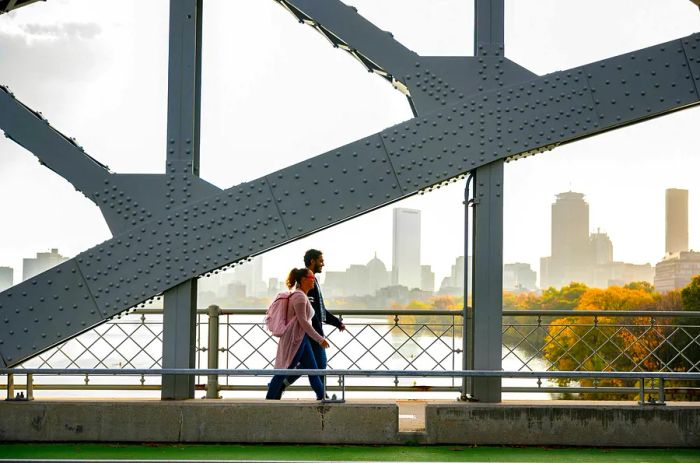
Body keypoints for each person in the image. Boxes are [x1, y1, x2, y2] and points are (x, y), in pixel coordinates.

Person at [278, 249, 345, 395]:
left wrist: (337, 323)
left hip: (310, 333)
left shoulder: (312, 280)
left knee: (309, 365)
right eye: (321, 261)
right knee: (319, 364)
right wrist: (319, 336)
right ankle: (322, 397)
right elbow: (310, 315)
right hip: (310, 334)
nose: (323, 264)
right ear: (313, 261)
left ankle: (279, 385)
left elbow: (320, 311)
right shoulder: (308, 282)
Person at [266, 267, 329, 400]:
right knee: (283, 371)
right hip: (295, 339)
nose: (314, 281)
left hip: (301, 338)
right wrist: (319, 339)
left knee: (313, 370)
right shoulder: (300, 297)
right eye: (312, 278)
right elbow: (303, 322)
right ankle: (270, 400)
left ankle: (322, 397)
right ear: (303, 280)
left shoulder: (301, 296)